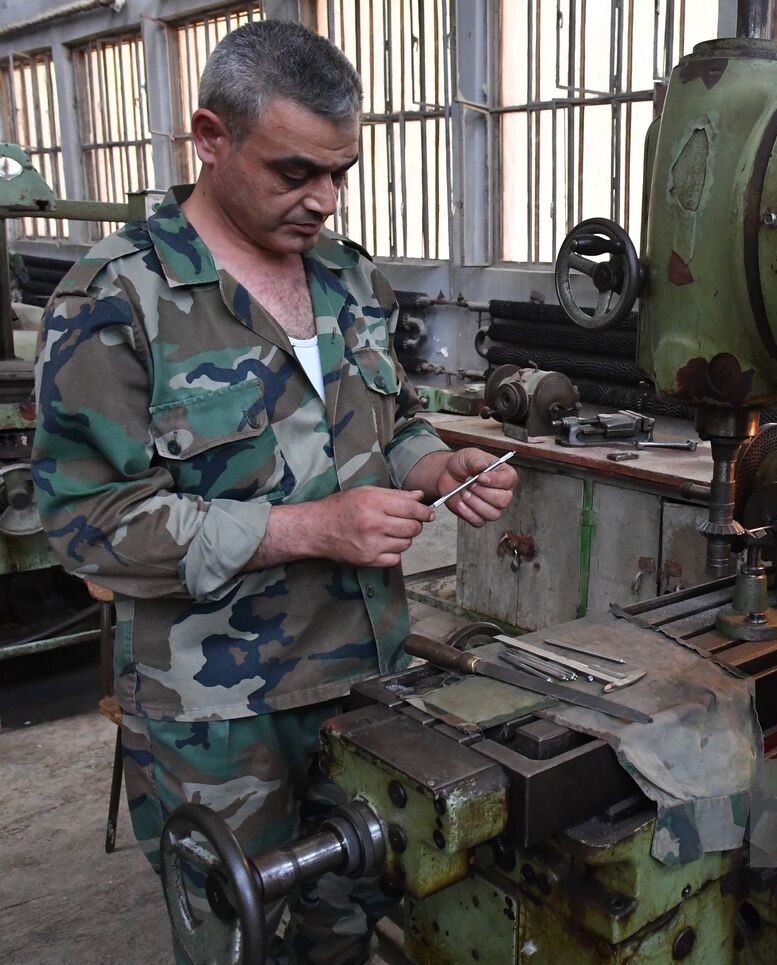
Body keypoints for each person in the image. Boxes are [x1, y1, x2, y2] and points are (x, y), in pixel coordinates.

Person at [31, 19, 517, 964]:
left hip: (368, 677)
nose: (322, 201)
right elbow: (90, 526)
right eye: (293, 171)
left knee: (349, 920)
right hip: (217, 714)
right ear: (210, 138)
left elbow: (395, 417)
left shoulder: (346, 275)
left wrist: (430, 465)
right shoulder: (115, 298)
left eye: (340, 174)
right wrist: (310, 529)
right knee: (232, 938)